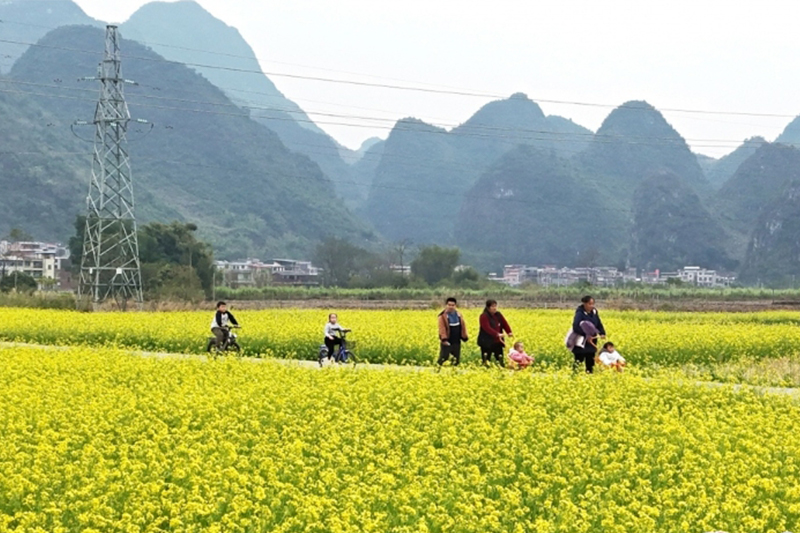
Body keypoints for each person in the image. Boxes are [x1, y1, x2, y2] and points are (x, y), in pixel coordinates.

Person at [570, 295, 605, 374]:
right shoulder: (580, 313)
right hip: (581, 341)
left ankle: (589, 375)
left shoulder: (594, 312)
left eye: (593, 304)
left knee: (590, 361)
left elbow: (598, 323)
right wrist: (586, 335)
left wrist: (602, 332)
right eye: (589, 304)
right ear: (584, 303)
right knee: (579, 360)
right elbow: (576, 326)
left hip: (592, 341)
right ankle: (575, 376)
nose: (591, 306)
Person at [478, 299, 513, 366]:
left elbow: (504, 323)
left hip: (497, 342)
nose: (494, 308)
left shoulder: (498, 314)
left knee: (500, 360)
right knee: (486, 360)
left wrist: (509, 332)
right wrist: (497, 334)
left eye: (495, 306)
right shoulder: (484, 316)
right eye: (492, 306)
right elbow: (486, 328)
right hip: (487, 342)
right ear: (488, 307)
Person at [437, 297, 468, 368]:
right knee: (443, 357)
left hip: (456, 340)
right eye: (449, 305)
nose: (451, 307)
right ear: (446, 305)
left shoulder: (459, 315)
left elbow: (463, 326)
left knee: (456, 358)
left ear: (455, 306)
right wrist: (444, 339)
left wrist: (464, 336)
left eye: (453, 305)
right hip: (448, 339)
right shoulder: (442, 316)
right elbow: (442, 328)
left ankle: (454, 373)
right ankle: (437, 371)